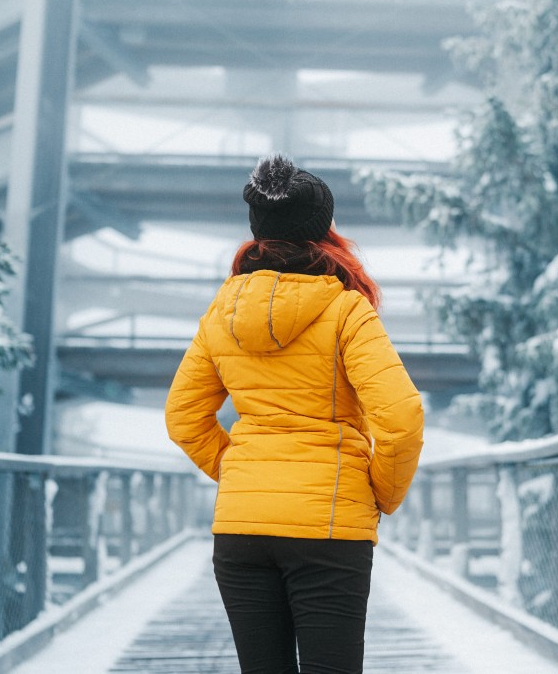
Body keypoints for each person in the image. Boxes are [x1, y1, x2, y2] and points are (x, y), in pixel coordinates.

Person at [165, 154, 424, 674]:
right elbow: (401, 418)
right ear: (322, 232)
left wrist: (242, 472)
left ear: (257, 230)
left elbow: (183, 415)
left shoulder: (223, 311)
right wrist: (379, 494)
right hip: (330, 529)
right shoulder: (346, 309)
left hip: (241, 530)